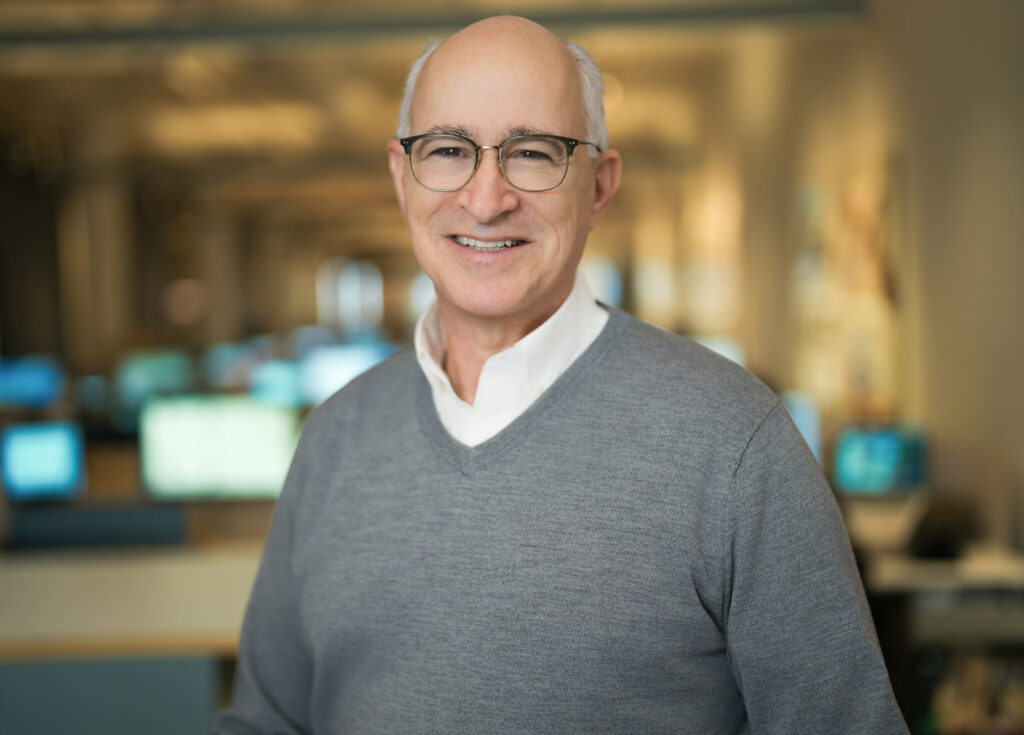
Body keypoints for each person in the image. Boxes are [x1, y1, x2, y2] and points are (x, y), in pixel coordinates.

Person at [213, 16, 908, 734]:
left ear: (599, 186)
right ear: (400, 176)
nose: (486, 200)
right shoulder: (334, 438)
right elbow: (266, 723)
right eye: (448, 150)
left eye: (533, 153)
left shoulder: (734, 445)